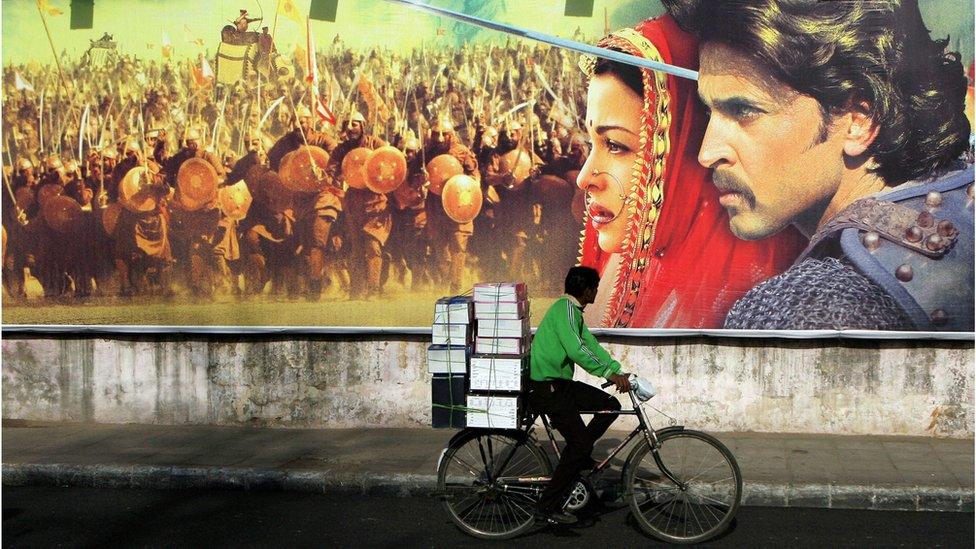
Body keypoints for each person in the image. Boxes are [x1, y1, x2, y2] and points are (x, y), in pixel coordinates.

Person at [664, 0, 974, 331]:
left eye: (744, 111)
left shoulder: (808, 310)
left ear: (860, 120)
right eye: (710, 112)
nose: (707, 153)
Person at [576, 16, 805, 329]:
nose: (584, 178)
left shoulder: (748, 304)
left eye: (615, 145)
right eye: (592, 143)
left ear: (684, 151)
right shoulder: (622, 269)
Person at [527, 266, 632, 525]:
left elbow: (589, 344)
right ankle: (546, 507)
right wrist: (607, 373)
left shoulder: (573, 312)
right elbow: (577, 350)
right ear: (587, 290)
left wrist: (617, 370)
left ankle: (580, 456)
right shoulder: (565, 311)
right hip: (547, 387)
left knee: (610, 405)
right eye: (595, 287)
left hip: (560, 384)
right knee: (579, 444)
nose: (597, 291)